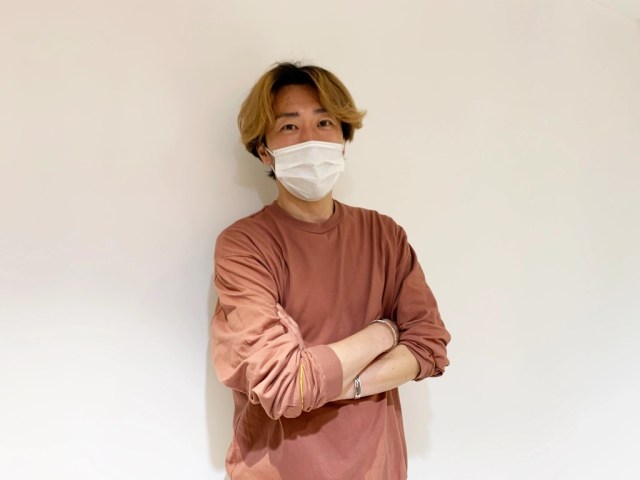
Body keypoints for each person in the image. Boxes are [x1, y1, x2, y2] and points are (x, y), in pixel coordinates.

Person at [211, 62, 451, 480]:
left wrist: (331, 382)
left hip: (378, 469)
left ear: (343, 138)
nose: (311, 138)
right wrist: (385, 333)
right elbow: (284, 384)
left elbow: (430, 346)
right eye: (289, 126)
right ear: (264, 150)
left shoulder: (383, 235)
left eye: (324, 122)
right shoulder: (245, 246)